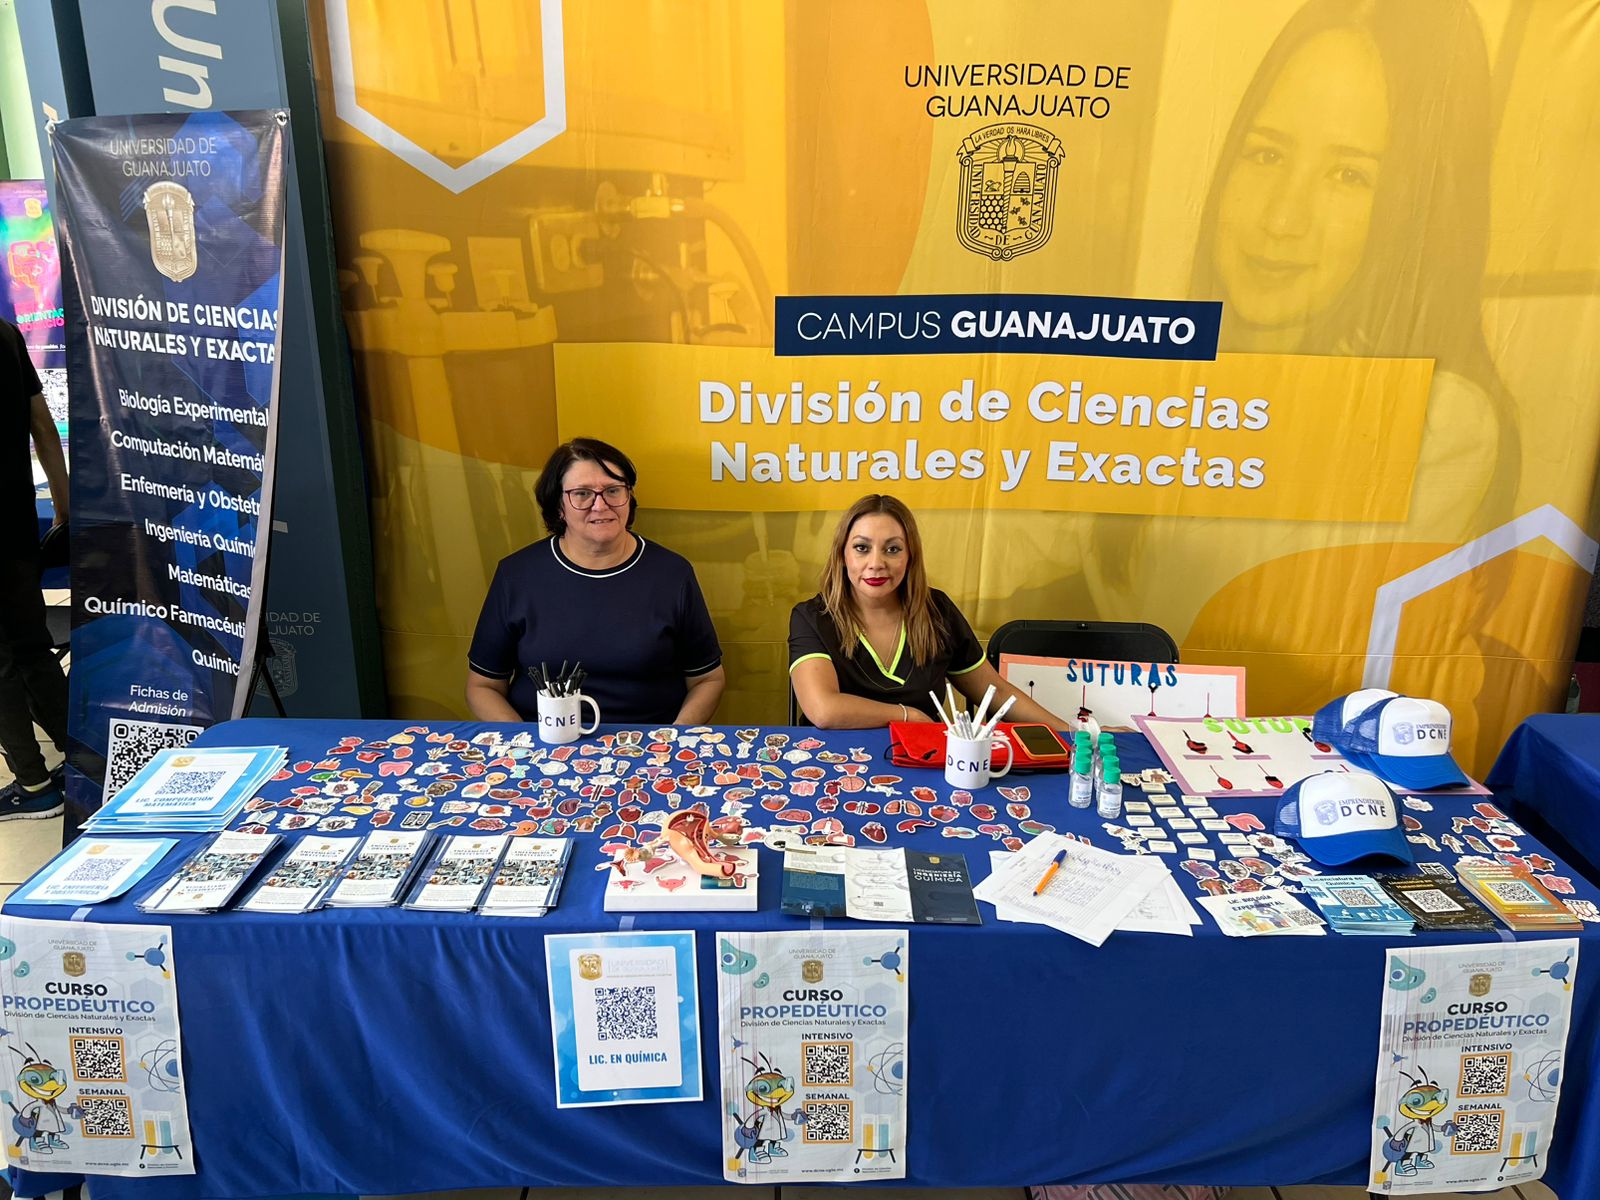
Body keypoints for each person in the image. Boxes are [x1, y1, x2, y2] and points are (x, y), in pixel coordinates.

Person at [466, 437, 725, 725]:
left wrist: (671, 739)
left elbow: (707, 679)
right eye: (582, 494)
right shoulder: (516, 574)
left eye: (613, 491)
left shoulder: (673, 573)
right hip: (542, 741)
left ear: (629, 497)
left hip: (648, 743)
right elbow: (483, 686)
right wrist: (525, 743)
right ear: (558, 505)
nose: (600, 506)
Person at [789, 494, 1071, 730]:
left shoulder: (937, 611)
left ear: (910, 557)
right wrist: (907, 715)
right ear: (842, 555)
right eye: (862, 548)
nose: (876, 563)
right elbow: (824, 710)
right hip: (832, 762)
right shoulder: (812, 617)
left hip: (921, 758)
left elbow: (995, 691)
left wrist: (1071, 733)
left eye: (892, 549)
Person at [0, 318, 69, 820]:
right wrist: (64, 507)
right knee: (31, 646)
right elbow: (43, 426)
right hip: (16, 524)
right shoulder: (5, 333)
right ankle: (84, 758)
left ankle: (33, 783)